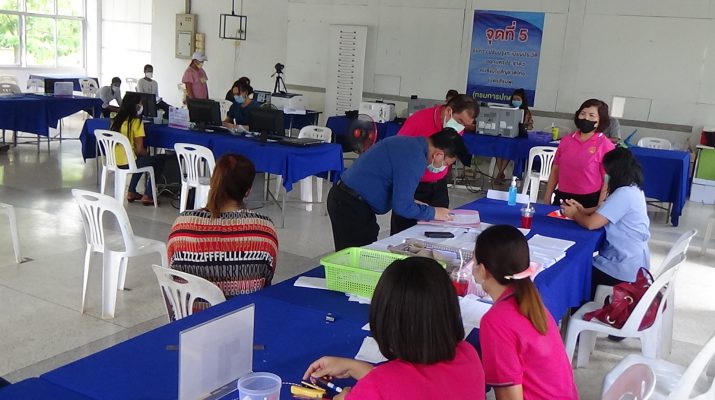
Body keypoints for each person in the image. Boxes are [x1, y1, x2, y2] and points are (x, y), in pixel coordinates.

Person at [303, 257, 486, 400]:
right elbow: (416, 386)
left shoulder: (377, 387)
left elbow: (391, 386)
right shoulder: (469, 354)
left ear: (384, 321)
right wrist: (356, 368)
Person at [473, 225, 578, 399]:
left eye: (474, 262)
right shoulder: (532, 301)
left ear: (483, 270)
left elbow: (508, 397)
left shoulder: (496, 321)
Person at [328, 128, 467, 250]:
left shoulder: (411, 145)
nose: (444, 168)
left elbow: (395, 185)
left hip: (349, 199)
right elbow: (402, 207)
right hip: (350, 205)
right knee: (355, 259)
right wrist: (434, 213)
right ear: (438, 155)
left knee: (362, 248)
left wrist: (414, 203)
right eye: (446, 163)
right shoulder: (415, 159)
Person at [167, 154, 278, 306]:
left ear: (214, 182)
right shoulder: (264, 231)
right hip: (245, 317)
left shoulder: (182, 226)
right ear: (248, 191)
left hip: (192, 318)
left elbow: (173, 273)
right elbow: (267, 281)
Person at [561, 148, 649, 297]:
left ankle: (577, 307)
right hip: (633, 260)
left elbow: (591, 224)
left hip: (622, 268)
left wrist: (575, 214)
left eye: (607, 172)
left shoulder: (624, 194)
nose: (605, 177)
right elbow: (607, 209)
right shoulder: (633, 188)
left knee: (574, 271)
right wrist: (583, 210)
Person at [391, 95, 479, 235]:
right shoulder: (419, 121)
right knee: (403, 233)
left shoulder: (457, 127)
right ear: (449, 111)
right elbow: (397, 152)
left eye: (465, 125)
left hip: (438, 185)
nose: (461, 127)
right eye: (460, 121)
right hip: (414, 185)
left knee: (438, 231)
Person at [543, 99, 615, 209]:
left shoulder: (605, 145)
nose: (586, 118)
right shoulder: (566, 140)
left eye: (592, 115)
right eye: (583, 114)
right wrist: (547, 197)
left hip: (589, 201)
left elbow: (607, 179)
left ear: (601, 120)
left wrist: (600, 207)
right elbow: (555, 170)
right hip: (563, 198)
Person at [110, 92, 165, 206]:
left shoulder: (115, 121)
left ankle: (131, 192)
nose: (141, 106)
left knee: (140, 159)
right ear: (134, 106)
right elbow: (140, 150)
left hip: (115, 161)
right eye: (140, 104)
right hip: (129, 163)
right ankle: (148, 195)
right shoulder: (136, 122)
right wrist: (148, 156)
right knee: (159, 160)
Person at [494, 89, 535, 183]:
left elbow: (530, 126)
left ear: (522, 100)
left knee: (508, 150)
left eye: (518, 99)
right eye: (514, 99)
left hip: (518, 138)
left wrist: (523, 126)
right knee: (498, 149)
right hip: (506, 135)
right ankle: (501, 173)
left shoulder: (526, 112)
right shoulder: (508, 110)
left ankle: (500, 174)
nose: (515, 101)